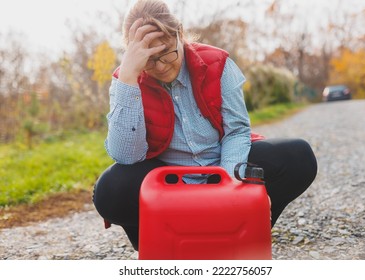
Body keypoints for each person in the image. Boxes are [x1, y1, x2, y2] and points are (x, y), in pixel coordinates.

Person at [93, 0, 317, 251]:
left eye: (167, 52)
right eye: (149, 60)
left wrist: (228, 187)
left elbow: (236, 131)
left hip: (224, 167)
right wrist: (128, 79)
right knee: (108, 190)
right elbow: (126, 156)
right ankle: (160, 240)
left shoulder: (217, 63)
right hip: (168, 183)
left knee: (299, 157)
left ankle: (241, 229)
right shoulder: (126, 81)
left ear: (179, 34)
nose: (161, 66)